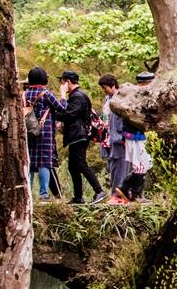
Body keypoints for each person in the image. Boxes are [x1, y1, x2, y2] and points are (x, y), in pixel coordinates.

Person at [54, 70, 105, 204]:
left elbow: (68, 115)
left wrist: (63, 96)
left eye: (62, 82)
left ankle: (99, 191)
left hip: (79, 135)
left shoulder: (78, 96)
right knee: (73, 166)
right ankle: (78, 197)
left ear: (68, 82)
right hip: (76, 135)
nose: (61, 85)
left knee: (81, 164)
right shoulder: (77, 95)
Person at [21, 67, 61, 201]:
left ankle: (28, 193)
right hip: (45, 132)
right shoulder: (46, 94)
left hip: (29, 131)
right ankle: (43, 194)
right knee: (45, 163)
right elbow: (62, 109)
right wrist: (64, 97)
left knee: (30, 162)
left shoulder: (24, 94)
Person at [122, 71, 155, 201]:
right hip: (136, 135)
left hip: (137, 135)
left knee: (144, 164)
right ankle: (134, 192)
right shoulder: (137, 97)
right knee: (141, 164)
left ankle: (127, 188)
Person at [100, 74, 130, 202]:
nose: (104, 90)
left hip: (119, 137)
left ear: (112, 85)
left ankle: (119, 195)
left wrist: (122, 136)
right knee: (112, 165)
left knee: (121, 165)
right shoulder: (107, 99)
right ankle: (115, 193)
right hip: (108, 137)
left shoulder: (121, 99)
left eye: (105, 87)